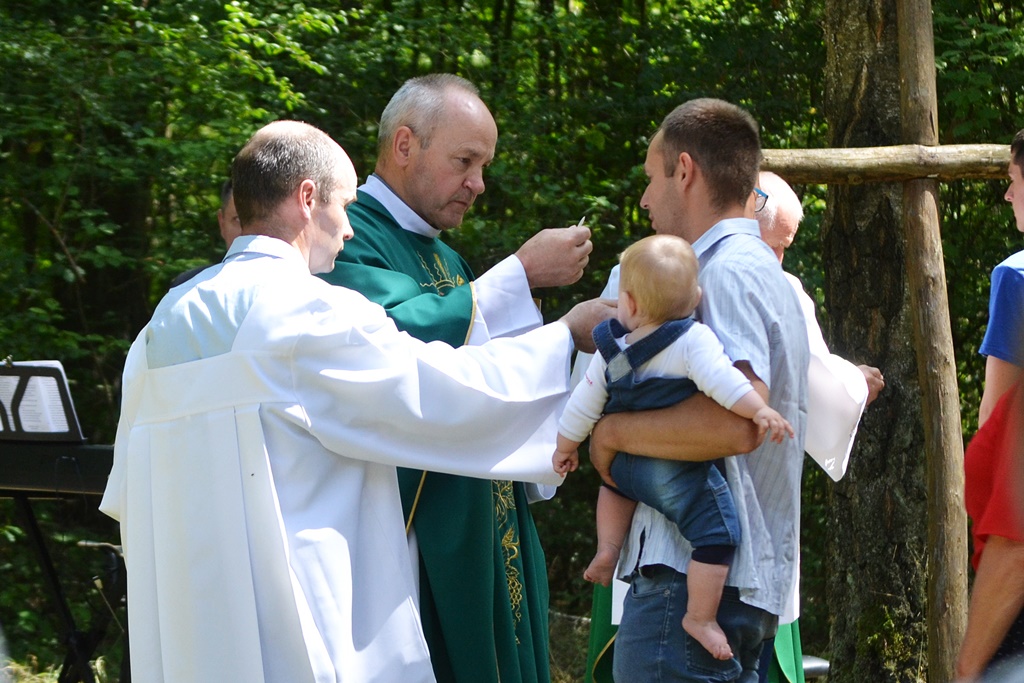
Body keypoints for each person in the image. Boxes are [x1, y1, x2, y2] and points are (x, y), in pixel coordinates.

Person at [99, 120, 611, 683]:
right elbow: (439, 392)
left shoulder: (161, 325)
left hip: (192, 630)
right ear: (307, 199)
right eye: (344, 205)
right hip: (296, 622)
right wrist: (563, 338)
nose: (348, 228)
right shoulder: (305, 311)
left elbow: (128, 494)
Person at [320, 73, 598, 683]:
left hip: (488, 519)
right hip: (422, 531)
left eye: (484, 166)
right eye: (464, 161)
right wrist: (520, 274)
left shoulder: (448, 257)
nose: (478, 184)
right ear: (404, 145)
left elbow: (491, 371)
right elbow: (387, 346)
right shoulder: (347, 236)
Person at [584, 98, 809, 682]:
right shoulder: (764, 271)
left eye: (651, 178)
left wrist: (611, 433)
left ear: (684, 171)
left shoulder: (724, 272)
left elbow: (739, 421)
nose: (644, 199)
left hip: (686, 587)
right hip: (735, 589)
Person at [554, 233, 793, 661]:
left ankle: (608, 549)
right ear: (696, 297)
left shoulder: (610, 350)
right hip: (672, 467)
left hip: (623, 466)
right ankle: (699, 617)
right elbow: (724, 384)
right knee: (717, 534)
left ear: (628, 304)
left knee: (613, 487)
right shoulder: (691, 339)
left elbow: (583, 405)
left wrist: (565, 447)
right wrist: (760, 409)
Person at [753, 171, 885, 683]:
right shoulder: (778, 287)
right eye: (778, 245)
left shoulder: (647, 267)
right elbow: (813, 381)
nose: (780, 259)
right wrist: (857, 383)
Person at [955, 128, 1024, 681]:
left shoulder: (1016, 276)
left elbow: (999, 428)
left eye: (1013, 179)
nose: (1008, 193)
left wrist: (967, 667)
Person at [169, 179, 242, 288]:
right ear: (222, 223)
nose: (247, 232)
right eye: (238, 219)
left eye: (260, 220)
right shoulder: (188, 288)